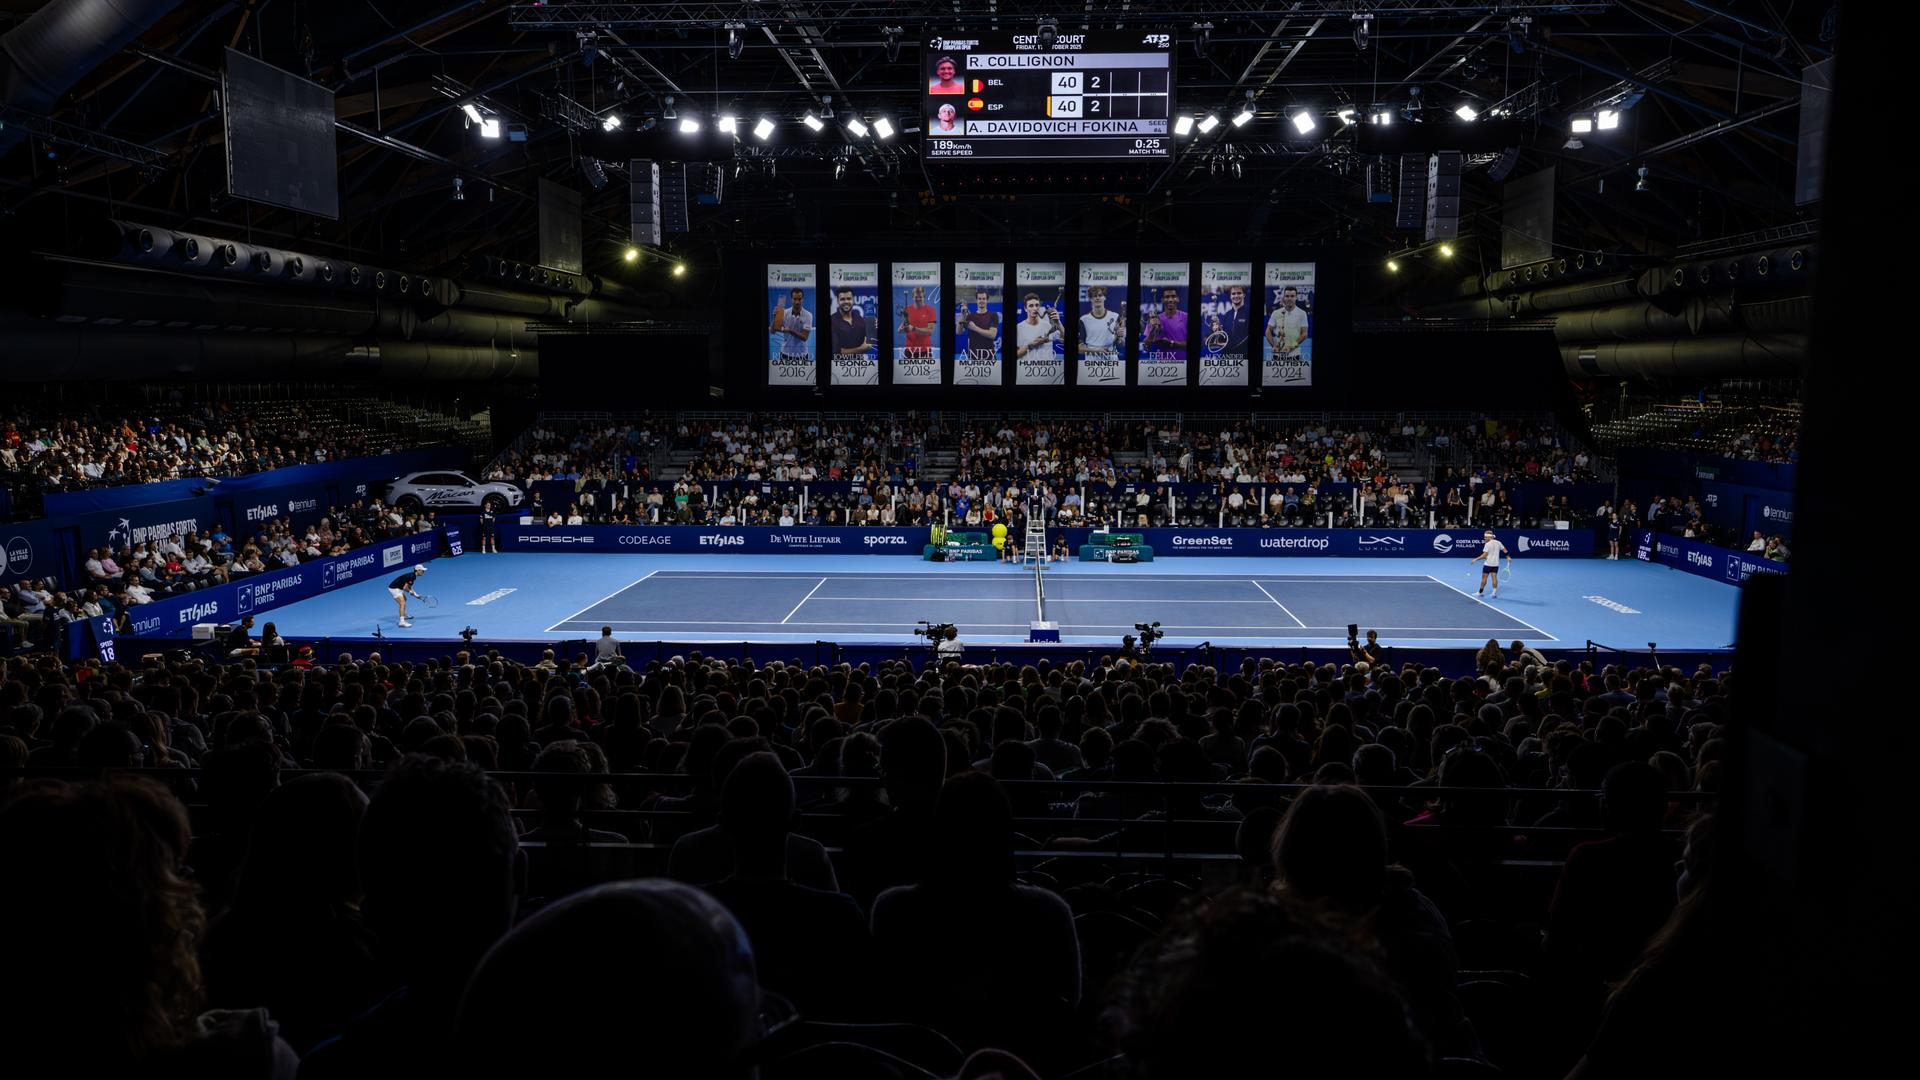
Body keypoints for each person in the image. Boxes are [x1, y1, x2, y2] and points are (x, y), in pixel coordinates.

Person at [1265, 284, 1310, 360]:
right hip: (1277, 354)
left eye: (1292, 296)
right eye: (1287, 296)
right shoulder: (1276, 313)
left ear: (1296, 297)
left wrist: (1291, 347)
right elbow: (1268, 330)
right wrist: (1274, 345)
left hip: (1294, 355)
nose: (1289, 298)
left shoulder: (1302, 313)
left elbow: (1304, 334)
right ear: (1284, 297)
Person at [1078, 285, 1122, 363]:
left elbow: (1121, 343)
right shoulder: (1083, 320)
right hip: (1091, 364)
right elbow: (1079, 348)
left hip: (1112, 362)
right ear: (1091, 299)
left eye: (1100, 295)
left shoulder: (1115, 316)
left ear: (1104, 297)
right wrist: (1097, 351)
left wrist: (1121, 337)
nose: (1097, 298)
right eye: (1094, 296)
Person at [1143, 286, 1187, 360]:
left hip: (1183, 363)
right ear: (1162, 300)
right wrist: (1153, 329)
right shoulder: (1155, 319)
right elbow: (1146, 346)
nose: (1170, 299)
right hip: (1162, 364)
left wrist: (1172, 343)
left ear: (1178, 299)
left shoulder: (1186, 317)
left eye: (1173, 296)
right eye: (1167, 297)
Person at [769, 286, 812, 361]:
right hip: (785, 353)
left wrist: (790, 330)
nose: (797, 302)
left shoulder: (808, 315)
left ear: (803, 299)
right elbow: (772, 331)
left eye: (799, 299)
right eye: (795, 299)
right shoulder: (784, 313)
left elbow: (804, 337)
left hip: (802, 355)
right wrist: (775, 319)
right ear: (791, 299)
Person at [830, 287, 870, 362]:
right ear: (838, 301)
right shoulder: (832, 321)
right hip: (838, 367)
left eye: (849, 299)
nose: (846, 301)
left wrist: (873, 328)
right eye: (842, 299)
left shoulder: (860, 319)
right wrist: (861, 349)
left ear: (853, 300)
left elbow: (868, 345)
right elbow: (836, 352)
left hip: (860, 366)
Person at [1469, 529, 1507, 599]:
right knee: (1494, 578)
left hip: (1488, 564)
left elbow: (1484, 555)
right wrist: (1508, 557)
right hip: (1496, 564)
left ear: (1489, 537)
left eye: (1485, 537)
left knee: (1484, 579)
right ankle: (1494, 593)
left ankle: (1480, 593)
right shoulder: (1498, 542)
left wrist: (1476, 559)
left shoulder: (1487, 544)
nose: (1484, 538)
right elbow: (1505, 550)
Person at [900, 284, 936, 358]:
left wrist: (913, 329)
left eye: (920, 297)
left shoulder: (931, 310)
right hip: (909, 351)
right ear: (913, 297)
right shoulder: (907, 310)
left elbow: (930, 331)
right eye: (916, 297)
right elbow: (903, 326)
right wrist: (902, 329)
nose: (918, 299)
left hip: (925, 351)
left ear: (924, 297)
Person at [966, 288, 999, 361]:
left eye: (984, 299)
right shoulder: (970, 316)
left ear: (987, 300)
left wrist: (975, 328)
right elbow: (958, 332)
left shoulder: (993, 315)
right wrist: (962, 315)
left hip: (989, 356)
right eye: (979, 298)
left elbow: (992, 335)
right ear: (976, 300)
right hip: (973, 356)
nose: (981, 301)